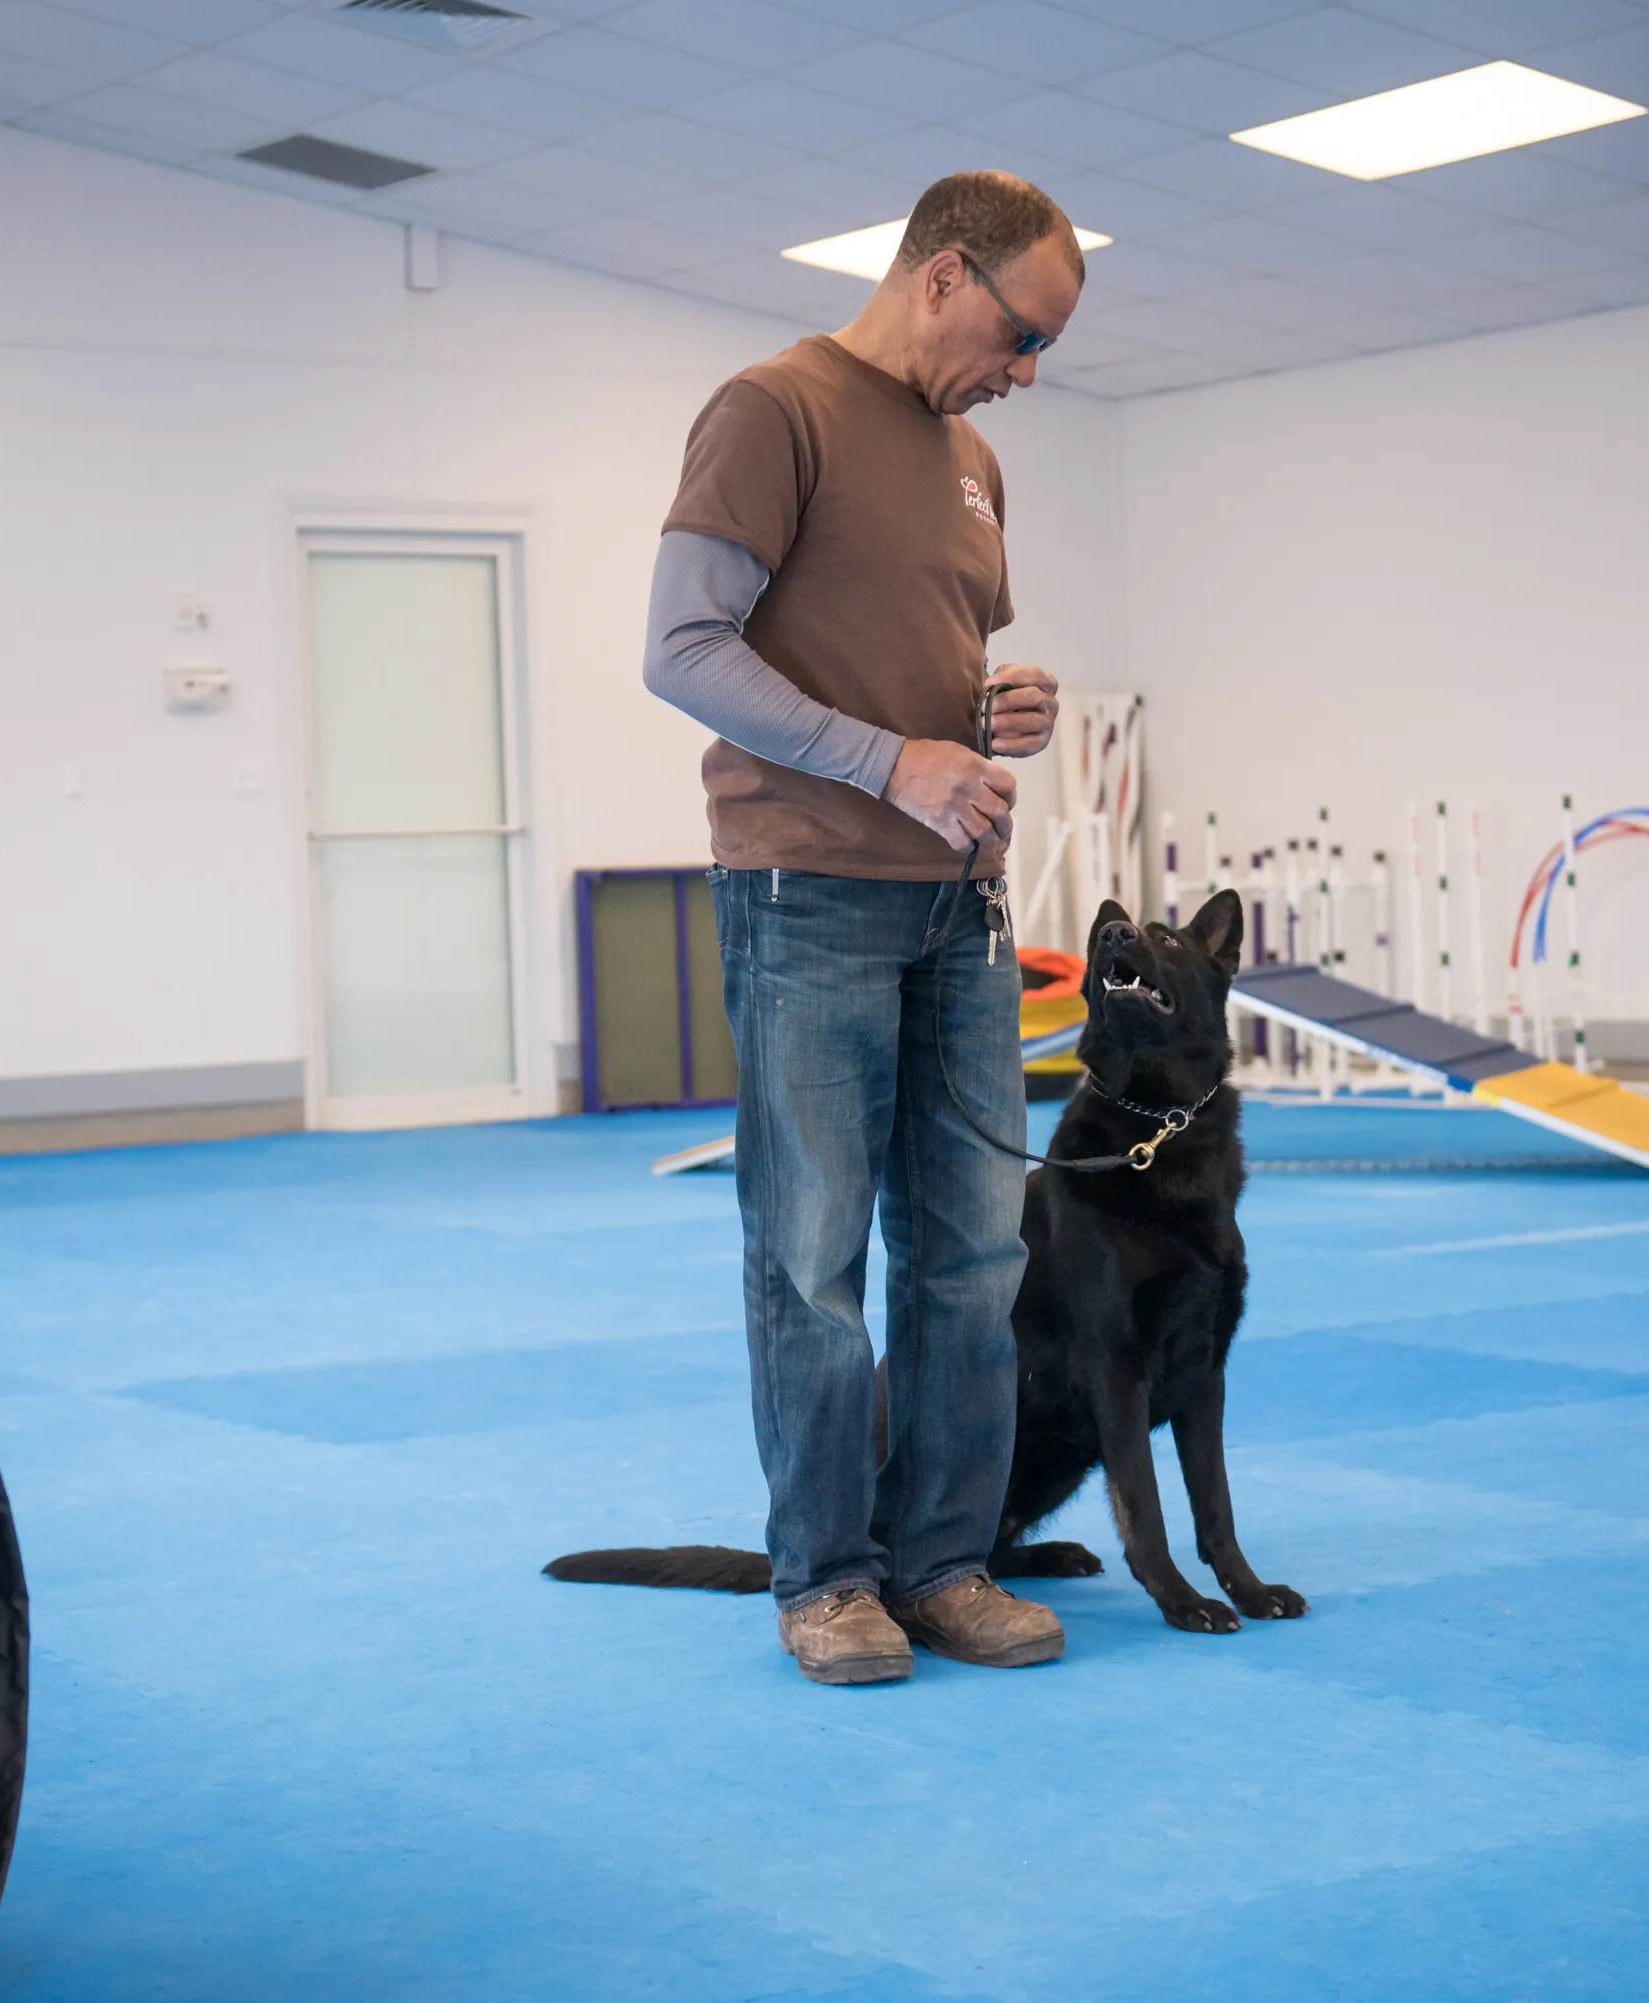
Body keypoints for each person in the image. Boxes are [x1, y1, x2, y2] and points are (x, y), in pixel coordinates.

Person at [642, 171, 1086, 1685]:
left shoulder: (974, 462)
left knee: (975, 1256)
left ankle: (946, 1560)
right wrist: (889, 760)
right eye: (1022, 335)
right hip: (807, 889)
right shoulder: (773, 410)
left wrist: (994, 711)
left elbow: (939, 664)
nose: (1024, 376)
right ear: (947, 275)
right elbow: (683, 649)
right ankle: (826, 1574)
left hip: (955, 905)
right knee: (815, 1257)